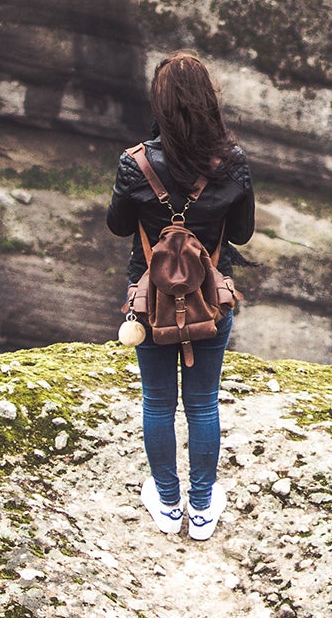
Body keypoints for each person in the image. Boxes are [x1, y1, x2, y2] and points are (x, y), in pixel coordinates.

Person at [107, 52, 254, 541]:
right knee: (203, 404)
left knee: (156, 402)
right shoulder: (233, 164)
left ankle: (168, 505)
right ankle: (204, 507)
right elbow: (243, 234)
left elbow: (118, 226)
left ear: (161, 104)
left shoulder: (135, 164)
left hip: (148, 304)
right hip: (211, 300)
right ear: (208, 101)